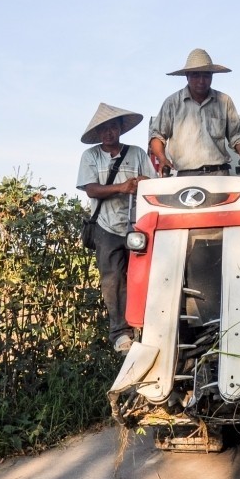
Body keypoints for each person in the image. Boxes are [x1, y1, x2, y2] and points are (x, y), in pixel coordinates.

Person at [76, 103, 154, 353]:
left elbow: (152, 183)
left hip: (137, 223)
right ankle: (120, 333)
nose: (108, 132)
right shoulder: (91, 156)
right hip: (105, 225)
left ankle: (147, 325)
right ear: (97, 134)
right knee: (112, 279)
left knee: (145, 274)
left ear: (120, 128)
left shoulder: (138, 153)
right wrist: (122, 187)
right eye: (103, 129)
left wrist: (142, 183)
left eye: (112, 127)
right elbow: (91, 189)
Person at [148, 48, 240, 175]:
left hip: (219, 174)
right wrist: (162, 159)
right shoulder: (172, 103)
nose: (201, 81)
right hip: (186, 175)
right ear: (187, 76)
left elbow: (236, 134)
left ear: (212, 76)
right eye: (196, 75)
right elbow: (157, 136)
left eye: (206, 75)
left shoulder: (224, 101)